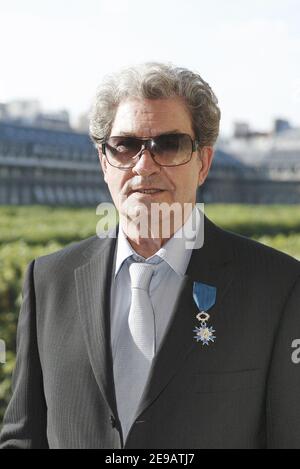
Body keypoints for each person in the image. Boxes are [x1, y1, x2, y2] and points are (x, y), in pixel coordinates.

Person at [0, 62, 300, 449]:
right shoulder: (48, 281)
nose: (144, 166)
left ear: (203, 163)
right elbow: (23, 438)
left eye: (169, 145)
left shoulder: (277, 286)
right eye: (125, 146)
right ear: (103, 162)